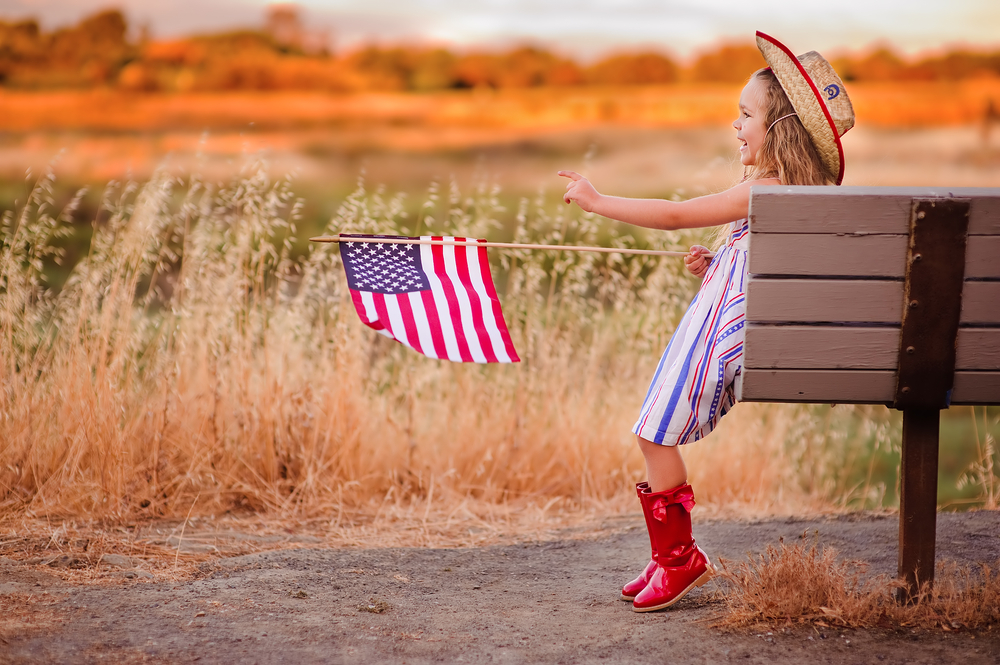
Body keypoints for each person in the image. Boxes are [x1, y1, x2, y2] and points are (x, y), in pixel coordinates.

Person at [559, 31, 856, 613]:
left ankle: (681, 559)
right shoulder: (787, 193)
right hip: (727, 328)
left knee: (655, 432)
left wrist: (598, 200)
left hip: (720, 342)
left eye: (746, 114)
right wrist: (717, 265)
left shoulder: (764, 190)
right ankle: (667, 555)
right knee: (652, 430)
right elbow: (767, 276)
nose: (735, 125)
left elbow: (674, 214)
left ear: (779, 129)